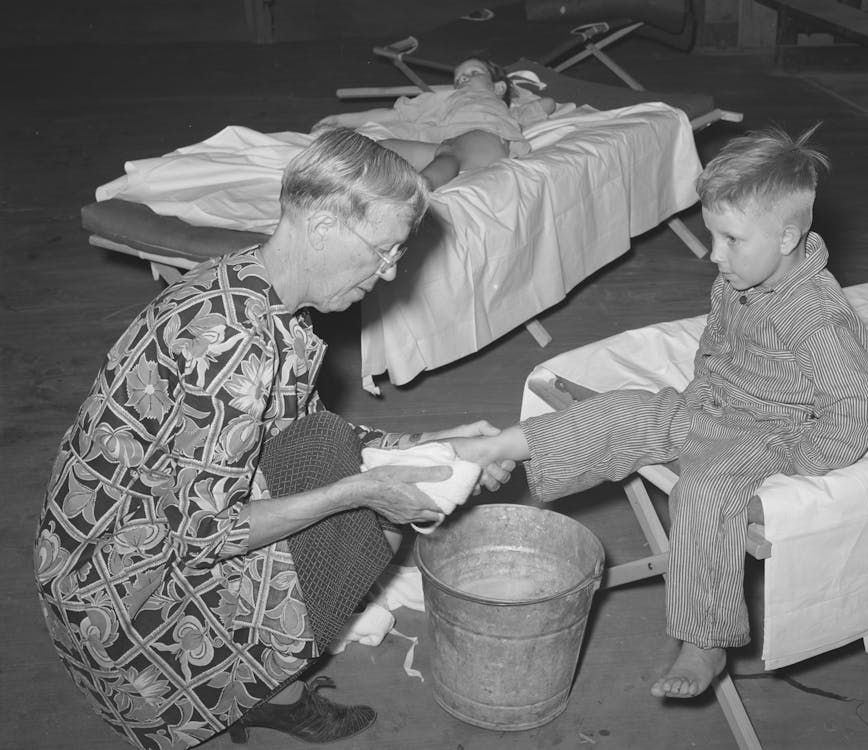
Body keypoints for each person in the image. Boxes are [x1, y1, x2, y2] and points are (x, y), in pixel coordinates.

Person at [33, 127, 514, 750]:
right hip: (123, 582)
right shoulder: (230, 348)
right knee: (358, 530)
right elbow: (206, 534)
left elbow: (299, 432)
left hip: (124, 526)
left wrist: (430, 440)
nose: (391, 272)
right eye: (383, 250)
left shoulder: (253, 287)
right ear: (322, 227)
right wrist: (360, 491)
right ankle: (264, 696)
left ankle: (265, 688)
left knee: (331, 459)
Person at [450, 124, 868, 700]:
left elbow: (856, 405)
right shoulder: (739, 279)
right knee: (623, 410)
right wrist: (703, 390)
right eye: (712, 236)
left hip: (767, 432)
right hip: (710, 405)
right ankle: (499, 446)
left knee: (702, 494)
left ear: (786, 238)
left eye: (731, 240)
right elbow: (718, 343)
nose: (715, 255)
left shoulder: (818, 317)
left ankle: (705, 639)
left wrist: (803, 462)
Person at [312, 57, 556, 189]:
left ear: (498, 86)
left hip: (486, 140)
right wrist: (340, 120)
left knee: (450, 152)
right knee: (379, 149)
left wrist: (513, 95)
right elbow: (393, 114)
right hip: (443, 146)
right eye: (459, 78)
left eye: (474, 73)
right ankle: (341, 188)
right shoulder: (444, 99)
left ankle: (417, 193)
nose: (464, 80)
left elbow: (547, 104)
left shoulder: (501, 109)